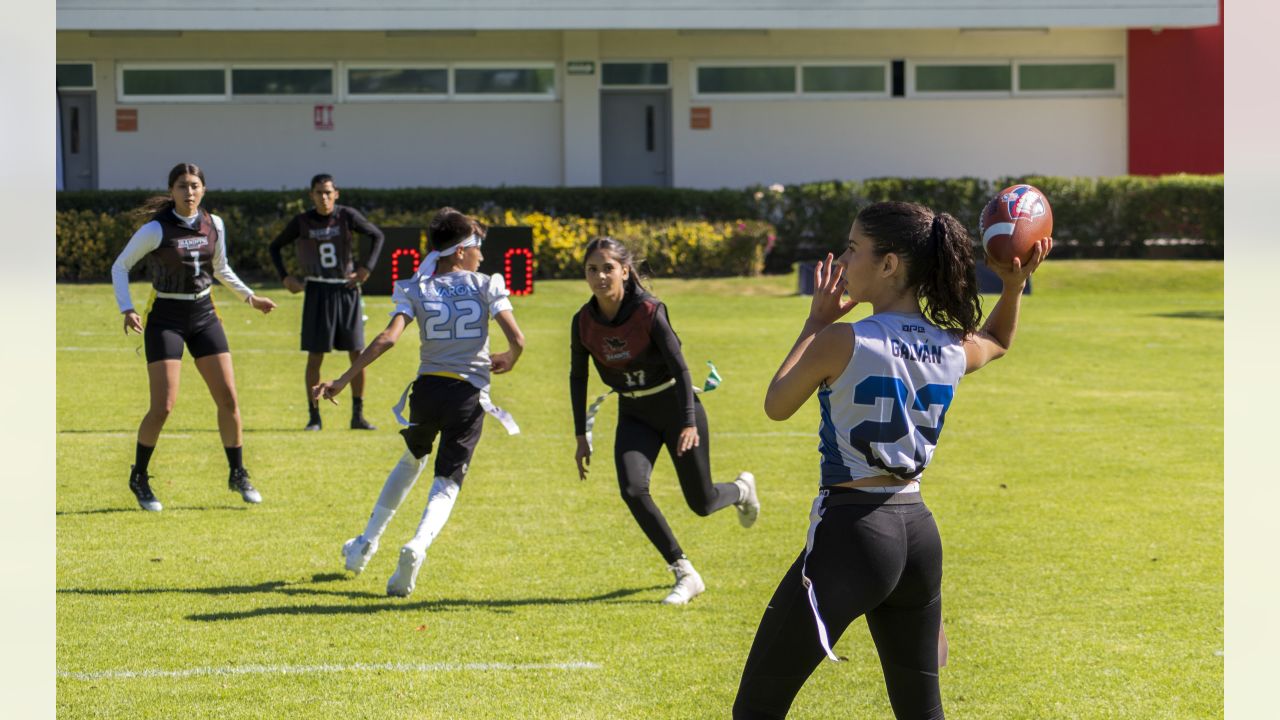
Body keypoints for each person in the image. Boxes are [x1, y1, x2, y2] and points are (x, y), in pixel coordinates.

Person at [731, 202, 1051, 719]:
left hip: (854, 534)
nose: (843, 259)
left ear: (889, 264)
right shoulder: (949, 346)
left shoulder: (841, 338)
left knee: (756, 710)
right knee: (921, 712)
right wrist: (1012, 287)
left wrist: (815, 319)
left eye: (855, 248)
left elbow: (776, 404)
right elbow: (996, 341)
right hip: (917, 535)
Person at [314, 208, 524, 598]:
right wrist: (511, 357)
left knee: (411, 460)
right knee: (446, 481)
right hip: (468, 396)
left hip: (426, 392)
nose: (481, 253)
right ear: (461, 251)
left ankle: (365, 543)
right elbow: (518, 338)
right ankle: (417, 545)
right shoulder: (485, 283)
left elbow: (388, 338)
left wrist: (343, 379)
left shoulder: (416, 287)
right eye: (476, 245)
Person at [570, 237, 760, 605]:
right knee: (632, 490)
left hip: (676, 409)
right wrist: (581, 435)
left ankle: (741, 490)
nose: (600, 276)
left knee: (701, 503)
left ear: (625, 270)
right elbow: (577, 377)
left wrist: (688, 422)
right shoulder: (583, 321)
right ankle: (684, 572)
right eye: (592, 269)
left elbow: (680, 367)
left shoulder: (649, 310)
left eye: (608, 268)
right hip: (633, 413)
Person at [111, 162, 278, 512]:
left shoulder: (213, 224)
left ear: (203, 189)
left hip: (203, 314)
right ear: (172, 191)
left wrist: (250, 297)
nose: (189, 192)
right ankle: (139, 476)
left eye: (195, 185)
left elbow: (221, 268)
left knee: (229, 399)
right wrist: (127, 308)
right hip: (166, 318)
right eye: (183, 186)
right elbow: (120, 266)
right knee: (164, 406)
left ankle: (238, 473)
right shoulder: (157, 229)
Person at [269, 173, 386, 431]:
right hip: (317, 292)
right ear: (311, 195)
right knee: (315, 355)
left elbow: (377, 236)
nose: (324, 197)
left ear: (336, 193)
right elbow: (274, 247)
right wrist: (286, 277)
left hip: (346, 290)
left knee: (356, 353)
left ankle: (358, 415)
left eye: (328, 192)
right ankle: (314, 416)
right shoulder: (303, 221)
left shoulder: (347, 216)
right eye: (319, 192)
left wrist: (366, 269)